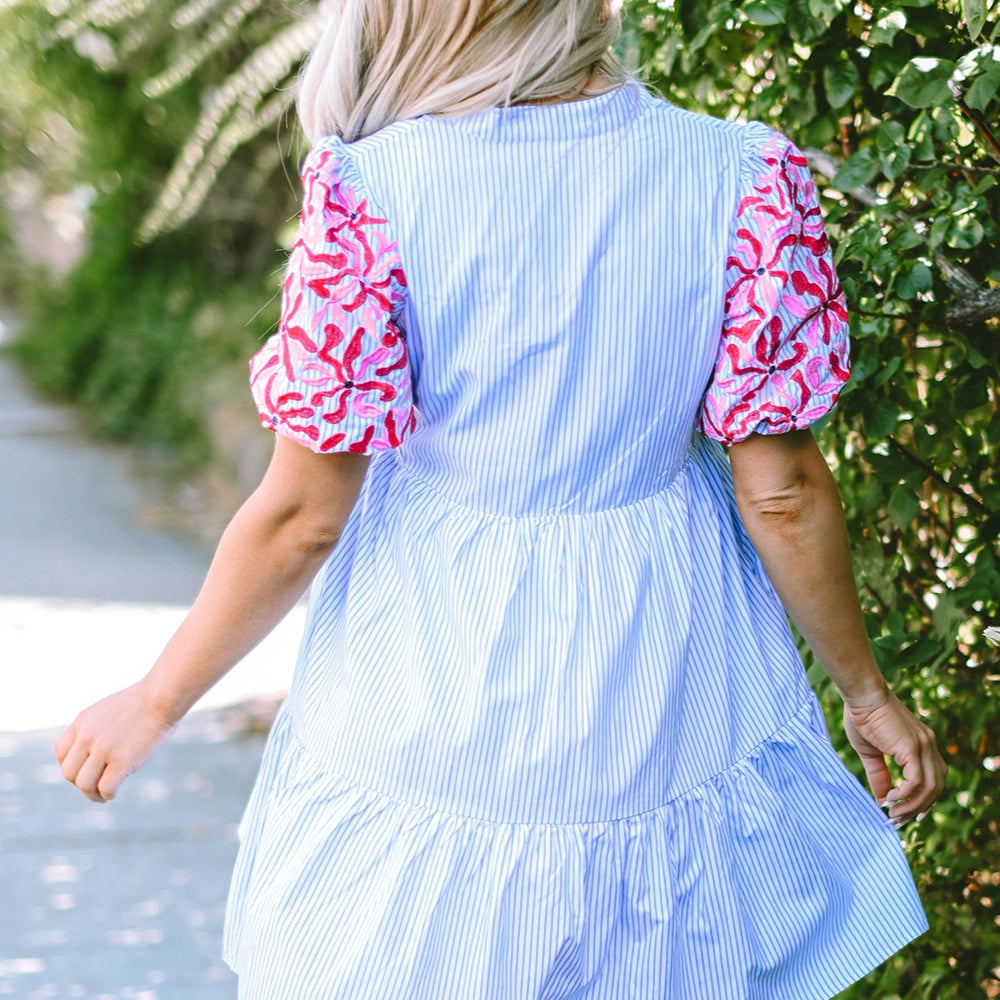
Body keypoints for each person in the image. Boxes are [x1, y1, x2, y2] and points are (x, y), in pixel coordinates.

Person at [55, 1, 948, 997]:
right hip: (665, 662)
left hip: (432, 662)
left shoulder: (372, 190)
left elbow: (302, 516)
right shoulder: (741, 175)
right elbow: (780, 489)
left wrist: (156, 698)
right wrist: (864, 692)